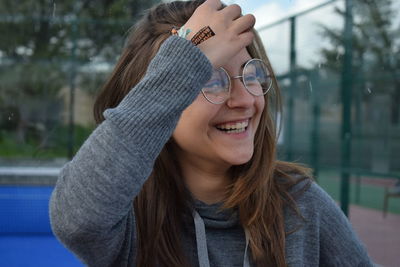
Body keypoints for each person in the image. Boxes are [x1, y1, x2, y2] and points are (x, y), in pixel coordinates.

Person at [49, 0, 374, 266]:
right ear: (162, 91)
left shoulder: (299, 203)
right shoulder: (130, 220)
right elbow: (78, 220)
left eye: (251, 74)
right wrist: (184, 61)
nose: (246, 99)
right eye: (209, 79)